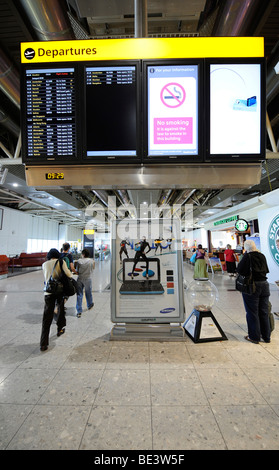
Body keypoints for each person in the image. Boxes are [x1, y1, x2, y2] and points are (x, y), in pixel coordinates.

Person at [236, 239, 270, 344]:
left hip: (253, 286)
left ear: (246, 248)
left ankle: (254, 337)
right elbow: (266, 270)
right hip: (265, 285)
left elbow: (239, 269)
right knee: (264, 312)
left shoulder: (248, 256)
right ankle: (266, 337)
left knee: (252, 312)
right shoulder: (262, 256)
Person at [40, 248, 73, 351]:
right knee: (60, 310)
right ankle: (60, 329)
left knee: (47, 317)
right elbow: (68, 274)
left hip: (48, 292)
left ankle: (43, 343)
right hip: (59, 291)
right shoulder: (60, 262)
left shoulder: (44, 264)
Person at [74, 248, 95, 317]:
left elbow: (77, 270)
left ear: (83, 254)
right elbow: (93, 269)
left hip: (80, 278)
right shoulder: (92, 261)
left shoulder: (79, 261)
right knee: (88, 292)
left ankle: (79, 311)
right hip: (88, 278)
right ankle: (89, 305)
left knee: (79, 294)